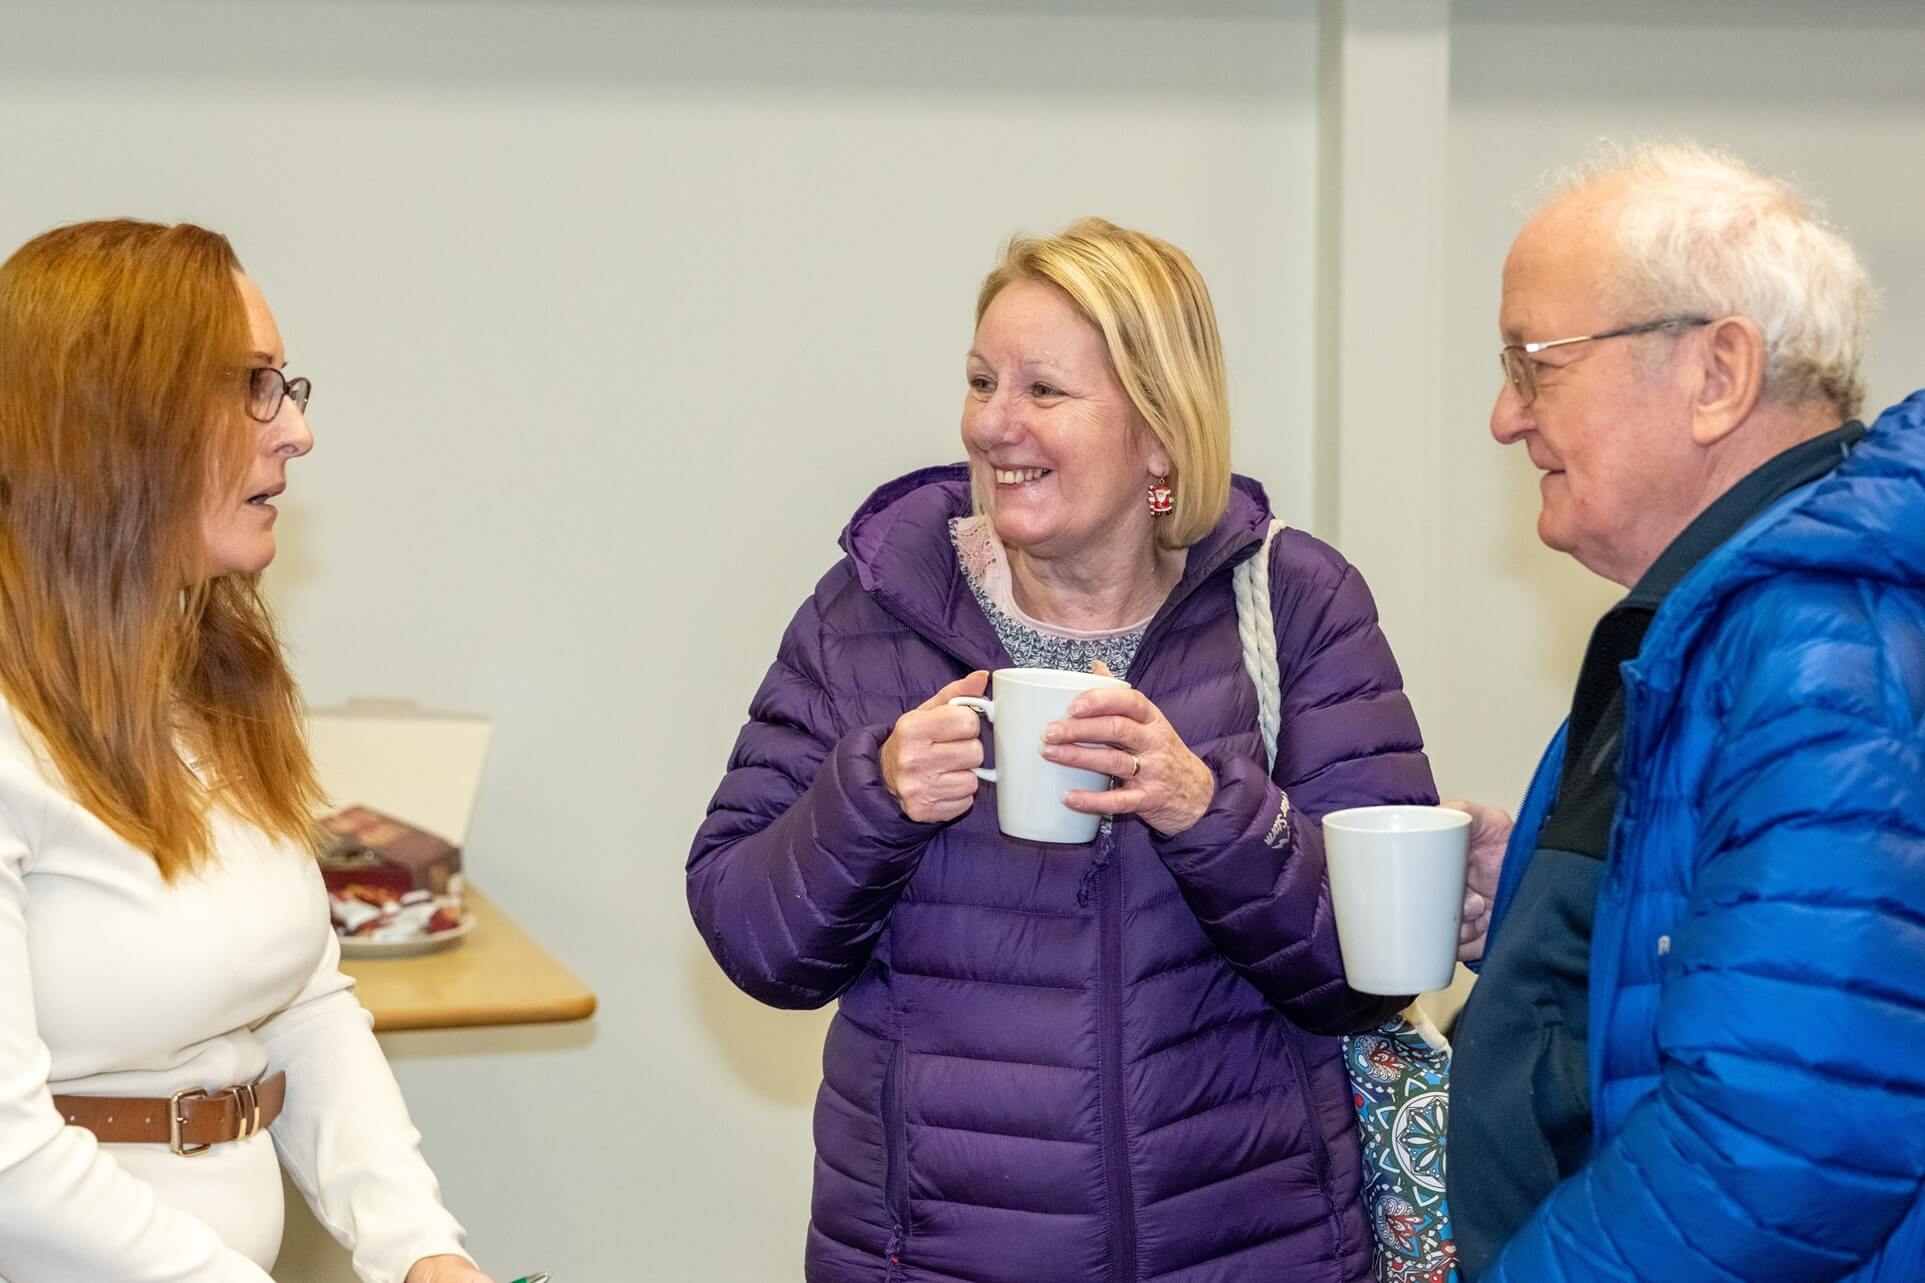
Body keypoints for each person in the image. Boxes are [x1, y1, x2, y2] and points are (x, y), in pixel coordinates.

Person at [688, 217, 1436, 1282]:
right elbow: (751, 936)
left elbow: (1372, 968)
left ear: (1158, 431)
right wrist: (873, 794)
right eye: (980, 381)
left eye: (1043, 390)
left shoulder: (1294, 604)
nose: (993, 424)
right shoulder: (869, 612)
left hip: (1249, 1252)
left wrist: (1204, 808)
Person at [1446, 143, 1925, 1281]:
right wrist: (1547, 902)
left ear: (1716, 373)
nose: (1504, 416)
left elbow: (1775, 1151)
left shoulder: (1819, 648)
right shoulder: (1717, 617)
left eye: (1534, 363)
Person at [0, 220, 492, 1283]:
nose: (298, 431)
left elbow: (302, 1003)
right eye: (252, 386)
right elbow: (9, 1162)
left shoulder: (206, 679)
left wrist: (419, 1249)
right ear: (112, 422)